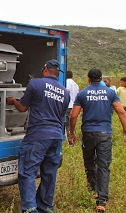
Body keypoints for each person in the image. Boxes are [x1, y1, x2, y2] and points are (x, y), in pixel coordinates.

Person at [7, 59, 69, 213]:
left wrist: (13, 101)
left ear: (45, 69)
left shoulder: (35, 84)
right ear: (57, 73)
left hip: (38, 136)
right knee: (49, 174)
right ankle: (45, 207)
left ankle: (29, 209)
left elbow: (22, 107)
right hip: (56, 136)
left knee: (28, 172)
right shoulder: (65, 92)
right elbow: (61, 117)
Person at [68, 68, 126, 212]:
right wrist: (125, 131)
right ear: (101, 78)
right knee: (103, 166)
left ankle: (94, 189)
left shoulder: (83, 93)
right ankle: (101, 201)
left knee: (89, 162)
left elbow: (73, 115)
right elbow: (121, 111)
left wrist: (71, 133)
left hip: (88, 133)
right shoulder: (110, 92)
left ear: (88, 79)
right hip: (105, 134)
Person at [65, 70, 79, 137]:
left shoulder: (67, 82)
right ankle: (73, 137)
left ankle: (69, 138)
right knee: (72, 124)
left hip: (68, 106)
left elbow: (67, 91)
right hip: (73, 106)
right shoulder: (75, 84)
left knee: (67, 124)